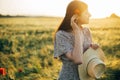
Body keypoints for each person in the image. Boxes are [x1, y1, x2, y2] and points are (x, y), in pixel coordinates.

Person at [54, 0, 99, 80]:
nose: (90, 15)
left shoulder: (86, 31)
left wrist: (93, 49)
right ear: (76, 15)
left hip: (85, 77)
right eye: (86, 13)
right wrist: (77, 32)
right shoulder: (61, 35)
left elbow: (87, 57)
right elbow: (78, 60)